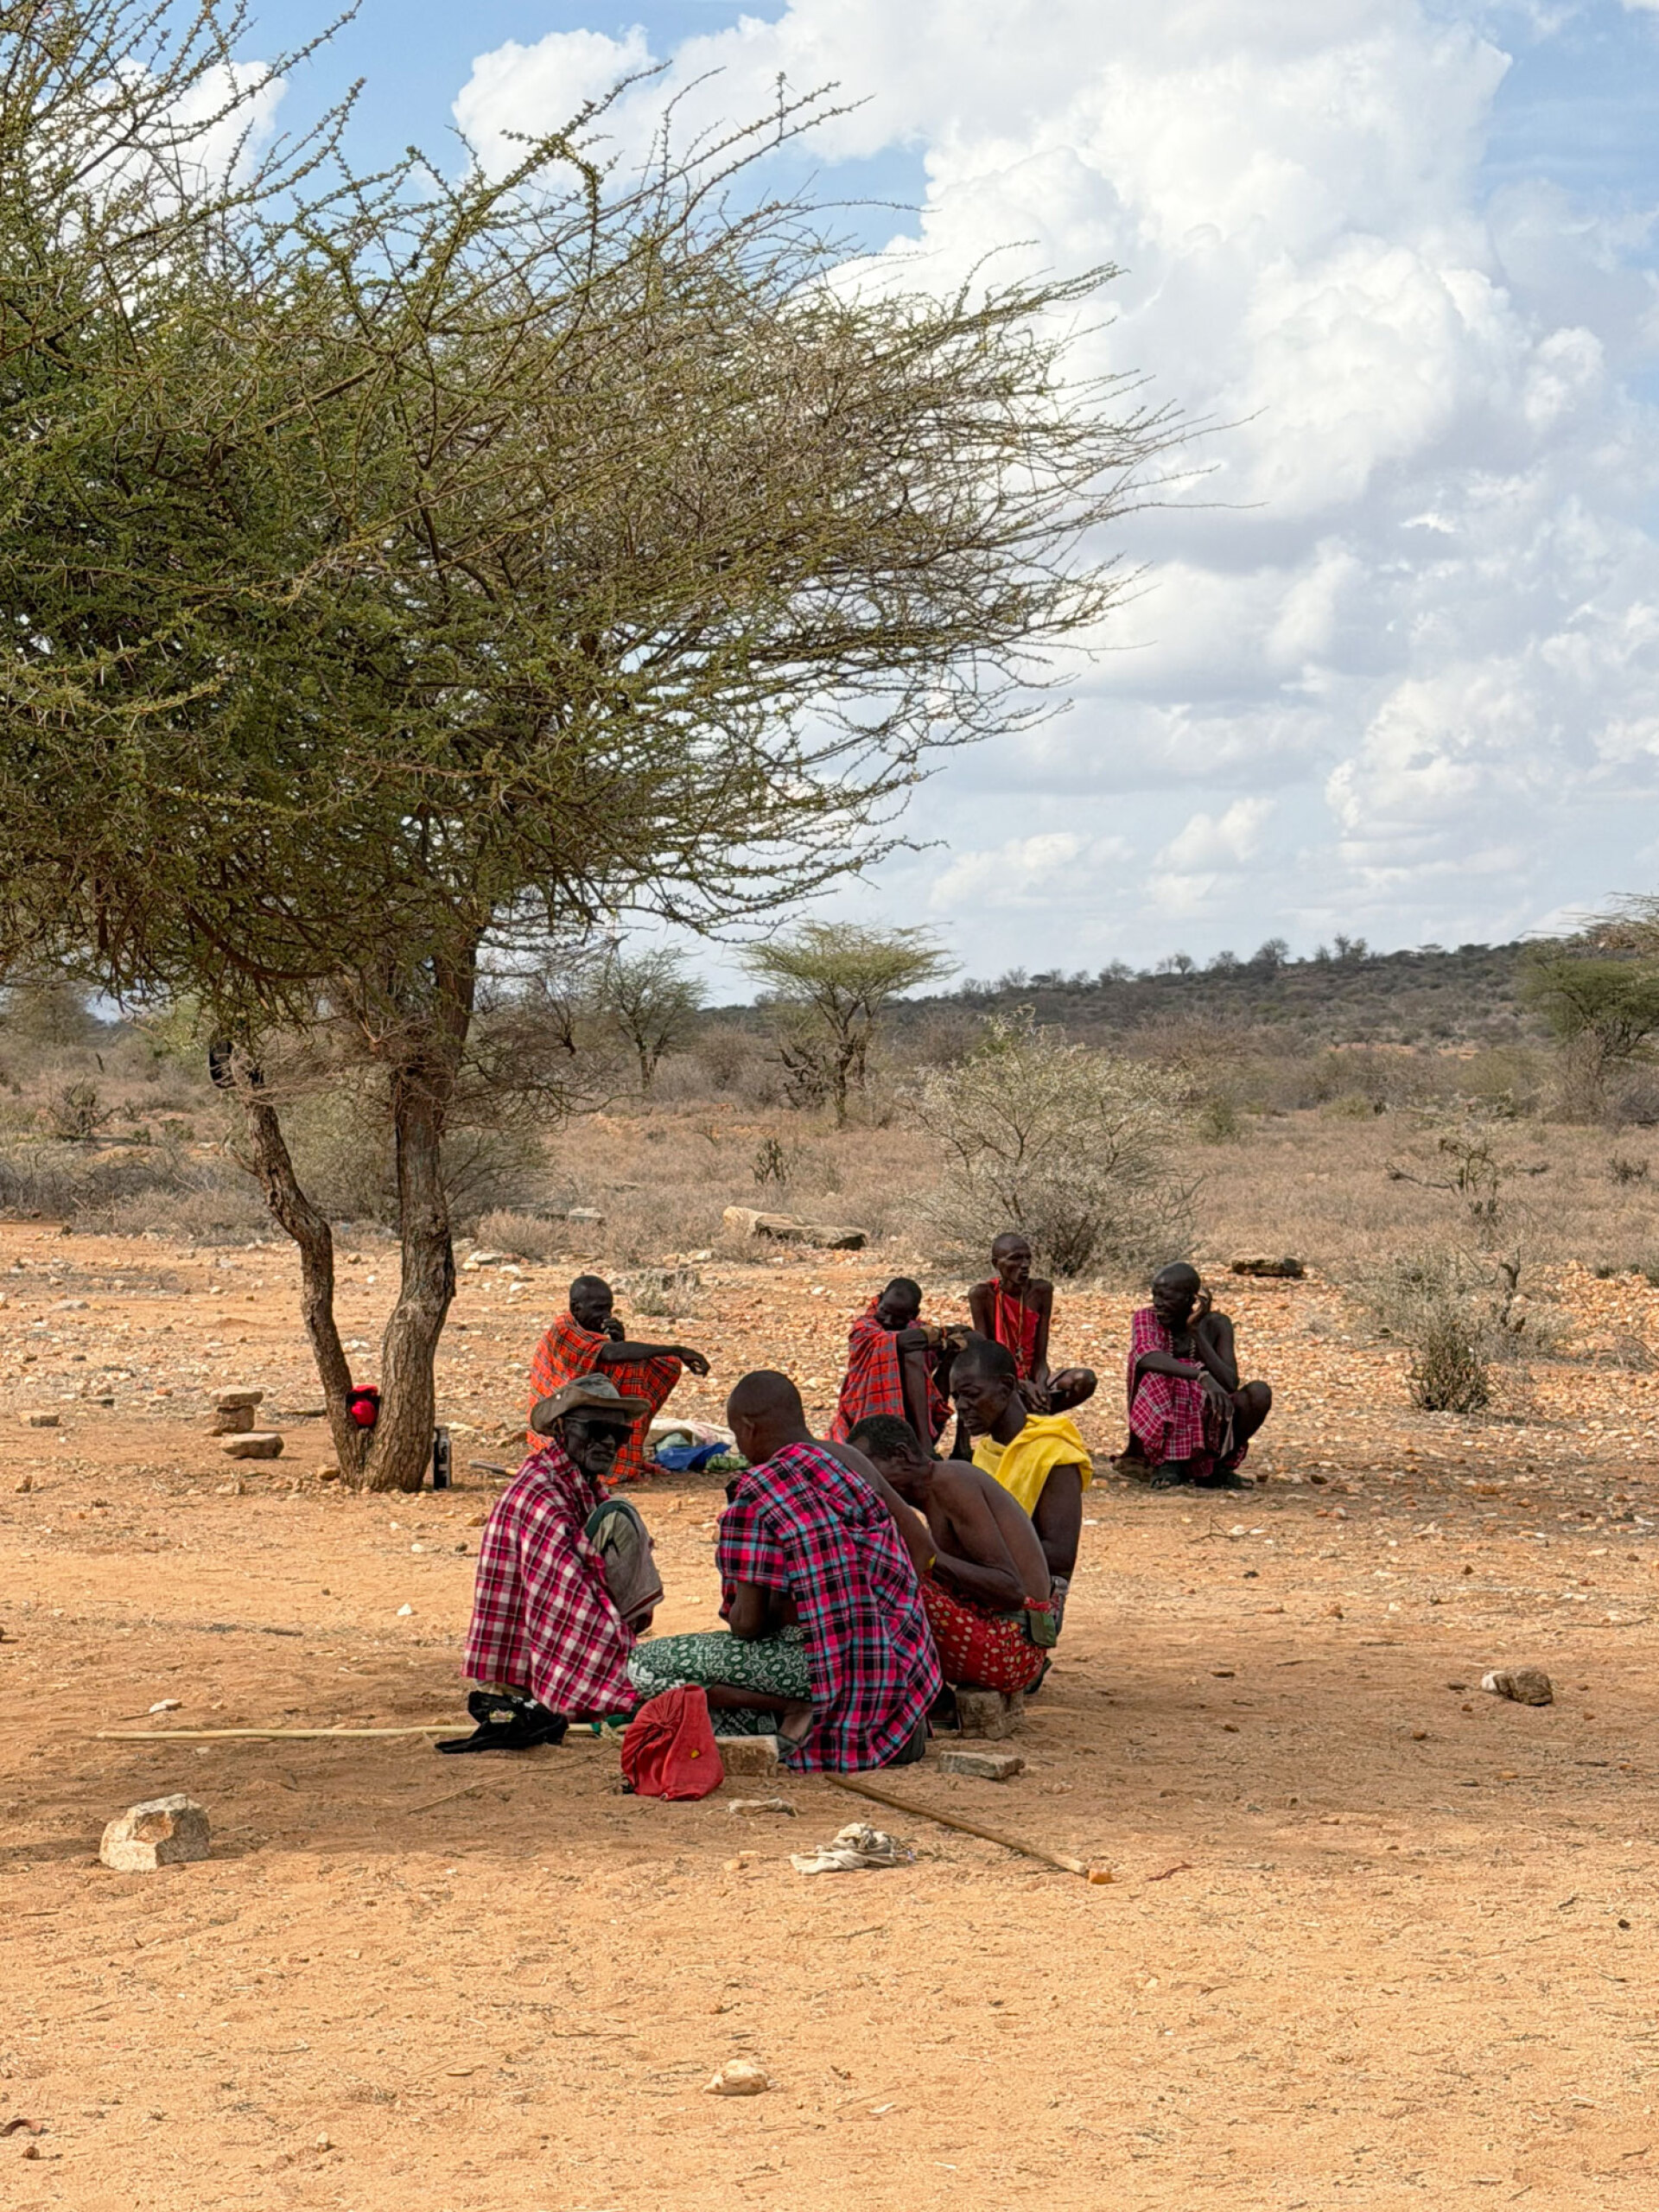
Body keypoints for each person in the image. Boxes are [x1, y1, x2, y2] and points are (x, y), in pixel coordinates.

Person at [626, 1371, 940, 1770]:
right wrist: (860, 1613)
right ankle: (809, 1707)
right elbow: (922, 1550)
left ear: (748, 1428)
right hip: (900, 1671)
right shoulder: (850, 1461)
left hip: (821, 1670)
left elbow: (748, 1625)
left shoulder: (760, 1490)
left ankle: (800, 1705)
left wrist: (819, 1622)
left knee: (640, 1667)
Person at [462, 1374, 665, 1728]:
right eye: (594, 1430)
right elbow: (570, 1602)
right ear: (561, 1429)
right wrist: (630, 1676)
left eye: (617, 1434)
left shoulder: (579, 1485)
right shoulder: (540, 1494)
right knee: (619, 1519)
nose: (606, 1443)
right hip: (513, 1673)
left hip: (540, 1650)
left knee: (622, 1518)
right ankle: (592, 1683)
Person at [848, 1414, 1056, 1695]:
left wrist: (931, 1558)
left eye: (868, 1471)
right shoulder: (938, 1489)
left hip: (1012, 1649)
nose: (863, 1484)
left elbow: (1010, 1590)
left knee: (885, 1576)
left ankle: (924, 1699)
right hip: (1007, 1639)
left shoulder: (950, 1482)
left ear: (901, 1455)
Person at [950, 1336, 1092, 1612]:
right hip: (986, 1583)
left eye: (971, 1394)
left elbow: (1060, 1556)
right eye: (956, 1397)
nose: (961, 1406)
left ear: (1005, 1387)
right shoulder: (988, 1451)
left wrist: (964, 1554)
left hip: (1032, 1601)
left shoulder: (1053, 1453)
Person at [527, 1273, 710, 1484]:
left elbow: (606, 1361)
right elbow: (609, 1355)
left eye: (608, 1308)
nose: (605, 1315)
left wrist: (618, 1341)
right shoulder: (563, 1331)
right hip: (558, 1424)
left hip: (584, 1408)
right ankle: (600, 1464)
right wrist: (677, 1349)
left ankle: (625, 1458)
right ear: (576, 1308)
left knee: (651, 1364)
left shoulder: (591, 1333)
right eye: (598, 1309)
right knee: (632, 1361)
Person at [1122, 1262, 1273, 1488]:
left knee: (1259, 1393)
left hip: (1207, 1418)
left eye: (1166, 1298)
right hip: (1160, 1425)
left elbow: (1230, 1382)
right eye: (1155, 1295)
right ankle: (1169, 1464)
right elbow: (1146, 1356)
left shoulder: (1216, 1324)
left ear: (1191, 1300)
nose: (1157, 1303)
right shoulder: (1147, 1318)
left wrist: (1195, 1332)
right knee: (1166, 1376)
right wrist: (1200, 1376)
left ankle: (1216, 1468)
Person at [969, 1231, 1096, 1414]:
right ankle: (1023, 1414)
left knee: (1085, 1379)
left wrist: (1041, 1385)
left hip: (1032, 1380)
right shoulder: (983, 1295)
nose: (1025, 1265)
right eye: (1016, 1259)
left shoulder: (1041, 1291)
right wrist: (1022, 1386)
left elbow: (1040, 1360)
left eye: (1028, 1258)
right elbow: (986, 1361)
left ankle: (1035, 1411)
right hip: (1000, 1382)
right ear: (996, 1264)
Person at [827, 1277, 961, 1452]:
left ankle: (956, 1444)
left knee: (953, 1353)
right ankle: (924, 1445)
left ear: (913, 1314)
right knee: (912, 1354)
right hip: (861, 1411)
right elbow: (902, 1341)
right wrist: (945, 1336)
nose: (889, 1321)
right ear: (880, 1299)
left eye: (898, 1317)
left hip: (911, 1414)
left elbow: (959, 1337)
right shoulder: (864, 1327)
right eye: (884, 1312)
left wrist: (948, 1344)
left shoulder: (917, 1328)